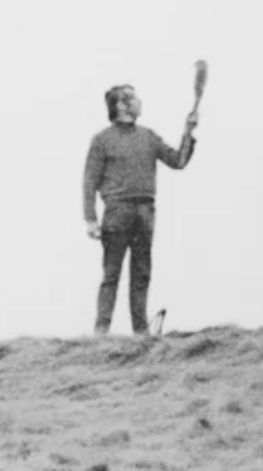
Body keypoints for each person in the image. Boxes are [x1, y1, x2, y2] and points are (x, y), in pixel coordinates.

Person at [82, 84, 197, 336]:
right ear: (121, 105)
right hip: (117, 210)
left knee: (141, 273)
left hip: (145, 210)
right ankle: (101, 332)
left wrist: (188, 133)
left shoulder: (148, 136)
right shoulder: (102, 140)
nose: (139, 102)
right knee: (111, 273)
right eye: (134, 98)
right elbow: (90, 181)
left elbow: (177, 160)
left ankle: (140, 333)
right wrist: (90, 219)